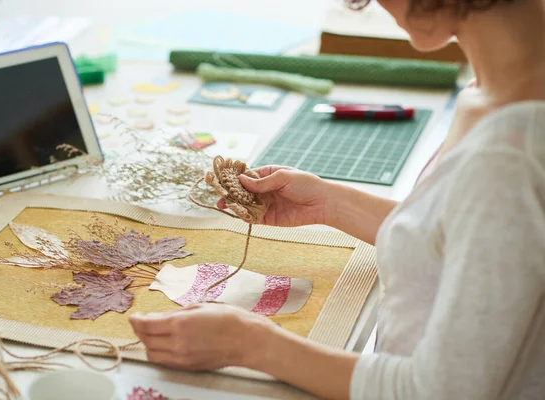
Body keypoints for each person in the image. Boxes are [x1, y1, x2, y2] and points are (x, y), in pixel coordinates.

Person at [129, 0, 545, 397]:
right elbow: (467, 243)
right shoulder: (500, 85)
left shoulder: (507, 156)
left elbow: (441, 392)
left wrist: (253, 346)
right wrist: (329, 204)